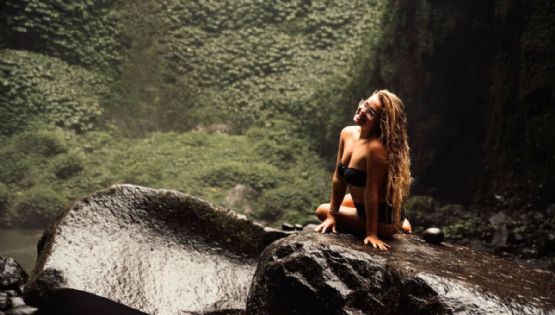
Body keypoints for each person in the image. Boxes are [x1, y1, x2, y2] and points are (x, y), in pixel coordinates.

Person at [314, 89, 413, 250]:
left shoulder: (375, 149)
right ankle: (402, 220)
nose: (362, 111)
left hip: (382, 219)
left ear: (381, 122)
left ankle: (398, 223)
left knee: (321, 210)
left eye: (371, 112)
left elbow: (371, 191)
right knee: (331, 210)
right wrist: (333, 215)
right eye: (364, 104)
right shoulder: (347, 133)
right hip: (363, 205)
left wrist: (371, 234)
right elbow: (339, 177)